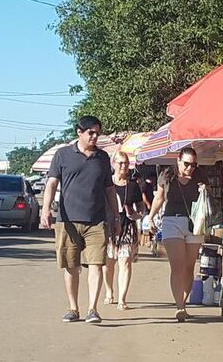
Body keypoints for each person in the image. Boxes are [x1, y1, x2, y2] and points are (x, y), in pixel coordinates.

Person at [41, 116, 120, 324]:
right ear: (79, 132)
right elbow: (51, 184)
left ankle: (92, 309)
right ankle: (73, 308)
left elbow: (109, 189)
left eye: (97, 133)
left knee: (96, 264)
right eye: (90, 132)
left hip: (97, 221)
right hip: (68, 221)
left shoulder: (103, 158)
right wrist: (46, 209)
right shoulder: (63, 155)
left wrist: (116, 215)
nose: (94, 136)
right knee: (71, 266)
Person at [148, 147, 208, 322]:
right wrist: (150, 217)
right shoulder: (167, 175)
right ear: (178, 161)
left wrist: (205, 190)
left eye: (193, 164)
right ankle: (179, 306)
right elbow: (159, 198)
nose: (190, 168)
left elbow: (206, 201)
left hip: (196, 224)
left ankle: (183, 302)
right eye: (187, 164)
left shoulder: (200, 176)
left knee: (189, 267)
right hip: (172, 221)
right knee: (177, 265)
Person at [102, 152, 144, 310]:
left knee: (125, 262)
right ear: (113, 164)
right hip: (109, 227)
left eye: (126, 163)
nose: (123, 166)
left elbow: (141, 206)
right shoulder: (106, 183)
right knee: (108, 263)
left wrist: (137, 214)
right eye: (120, 163)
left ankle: (122, 298)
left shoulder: (132, 185)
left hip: (127, 227)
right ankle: (109, 291)